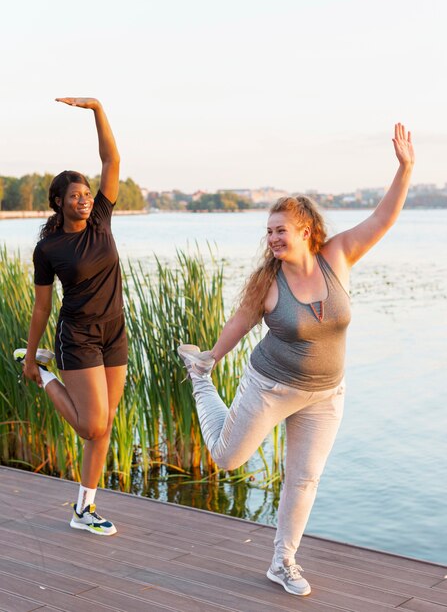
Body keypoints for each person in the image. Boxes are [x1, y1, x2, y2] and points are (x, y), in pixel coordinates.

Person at [178, 124, 414, 596]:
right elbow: (240, 322)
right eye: (267, 232)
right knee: (227, 458)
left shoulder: (339, 256)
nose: (271, 239)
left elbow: (383, 219)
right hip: (269, 387)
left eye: (279, 230)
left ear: (305, 230)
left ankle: (283, 562)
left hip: (326, 395)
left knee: (304, 479)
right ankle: (199, 381)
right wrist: (210, 358)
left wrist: (405, 168)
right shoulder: (268, 282)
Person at [14, 97, 127, 536]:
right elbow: (43, 305)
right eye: (75, 196)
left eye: (86, 194)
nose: (83, 199)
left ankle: (84, 508)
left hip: (115, 331)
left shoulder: (102, 220)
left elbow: (111, 158)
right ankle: (45, 373)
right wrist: (29, 363)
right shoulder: (49, 250)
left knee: (104, 427)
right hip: (77, 337)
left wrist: (97, 108)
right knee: (92, 424)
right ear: (58, 203)